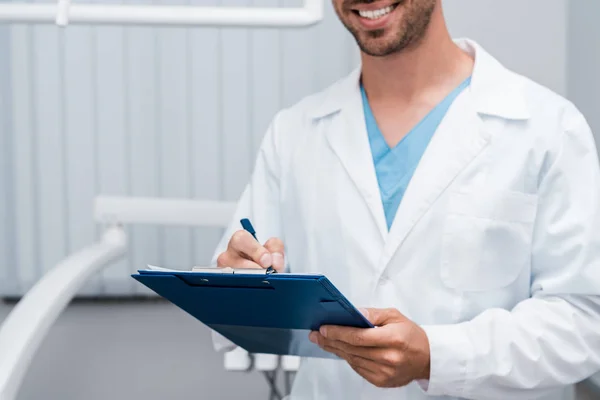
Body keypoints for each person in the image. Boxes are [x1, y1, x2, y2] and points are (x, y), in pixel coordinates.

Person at [211, 0, 600, 399]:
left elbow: (586, 321)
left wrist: (437, 356)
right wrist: (240, 279)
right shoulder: (294, 132)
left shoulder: (548, 129)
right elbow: (239, 278)